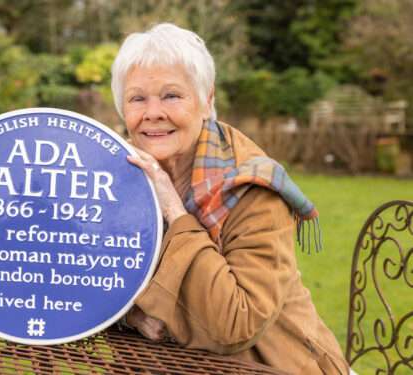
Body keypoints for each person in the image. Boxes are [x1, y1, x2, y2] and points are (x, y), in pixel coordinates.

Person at [115, 23, 348, 374]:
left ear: (206, 101)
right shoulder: (114, 175)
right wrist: (132, 315)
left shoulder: (253, 188)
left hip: (271, 365)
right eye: (137, 98)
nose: (153, 112)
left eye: (171, 95)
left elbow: (235, 323)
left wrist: (175, 212)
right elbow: (82, 279)